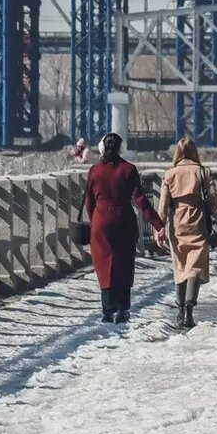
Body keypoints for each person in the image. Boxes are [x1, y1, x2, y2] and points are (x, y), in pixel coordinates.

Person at [85, 132, 163, 324]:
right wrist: (158, 224)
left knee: (104, 265)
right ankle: (123, 309)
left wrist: (95, 220)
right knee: (124, 263)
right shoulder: (129, 169)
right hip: (124, 220)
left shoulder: (94, 170)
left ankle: (107, 310)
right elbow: (140, 201)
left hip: (101, 222)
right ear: (122, 148)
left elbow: (88, 202)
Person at [155, 138, 217, 329]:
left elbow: (163, 205)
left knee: (180, 264)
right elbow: (214, 200)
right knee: (195, 266)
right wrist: (208, 211)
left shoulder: (170, 174)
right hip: (197, 220)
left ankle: (180, 309)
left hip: (177, 222)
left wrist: (160, 228)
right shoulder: (203, 171)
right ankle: (189, 309)